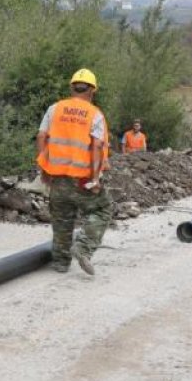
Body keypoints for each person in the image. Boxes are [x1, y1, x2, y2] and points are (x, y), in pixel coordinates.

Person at [37, 68, 111, 276]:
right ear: (92, 91)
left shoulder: (55, 109)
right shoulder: (95, 114)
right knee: (103, 209)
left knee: (62, 219)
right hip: (83, 180)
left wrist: (44, 169)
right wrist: (95, 178)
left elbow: (42, 137)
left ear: (72, 87)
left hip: (58, 178)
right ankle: (83, 247)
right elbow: (97, 146)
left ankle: (60, 262)